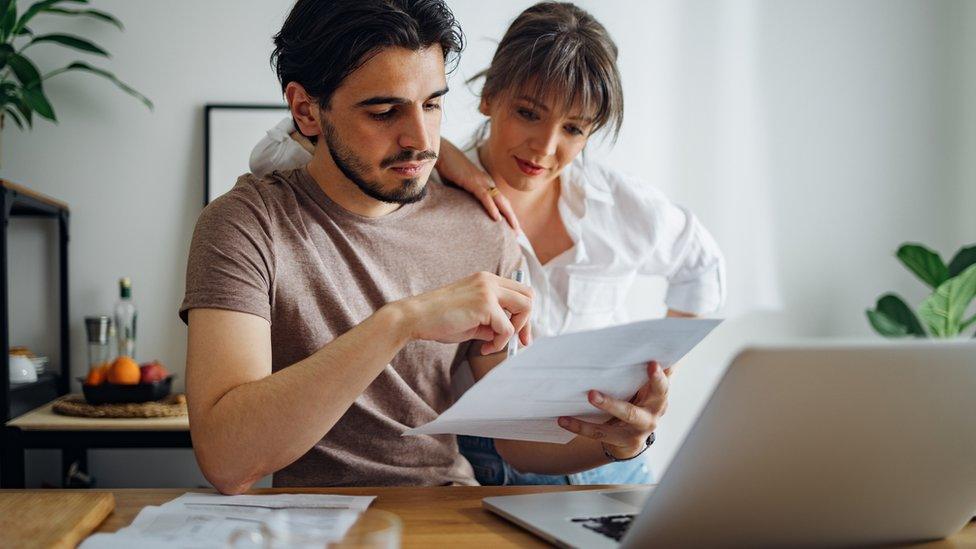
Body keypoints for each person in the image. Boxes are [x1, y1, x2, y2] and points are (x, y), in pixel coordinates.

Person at [184, 0, 670, 494]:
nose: (421, 140)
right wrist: (402, 322)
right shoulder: (246, 226)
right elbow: (227, 461)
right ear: (306, 111)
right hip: (313, 520)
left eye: (432, 104)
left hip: (451, 508)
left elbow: (516, 441)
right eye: (384, 111)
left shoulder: (482, 228)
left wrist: (622, 439)